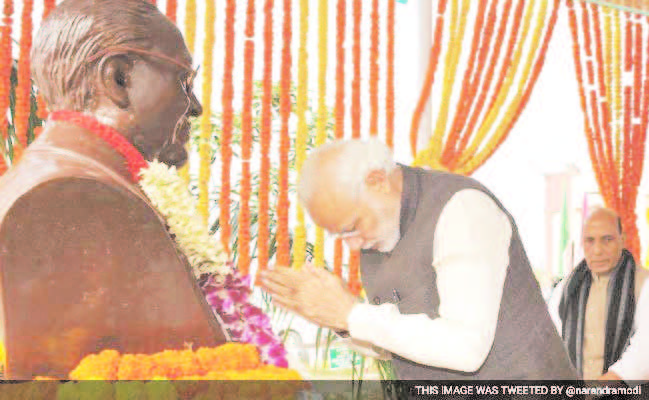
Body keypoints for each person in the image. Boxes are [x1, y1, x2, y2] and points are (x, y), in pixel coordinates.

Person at [0, 0, 227, 379]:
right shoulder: (70, 197)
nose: (196, 107)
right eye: (184, 81)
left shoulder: (53, 178)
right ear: (118, 78)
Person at [260, 139, 577, 380]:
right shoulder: (378, 235)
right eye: (340, 236)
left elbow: (465, 347)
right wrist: (337, 320)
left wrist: (351, 313)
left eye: (352, 227)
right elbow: (394, 342)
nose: (353, 244)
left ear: (377, 182)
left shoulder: (462, 209)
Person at [548, 207, 649, 383]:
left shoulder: (643, 283)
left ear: (622, 239)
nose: (597, 250)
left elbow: (644, 352)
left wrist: (597, 390)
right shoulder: (565, 289)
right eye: (590, 241)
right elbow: (549, 344)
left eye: (607, 240)